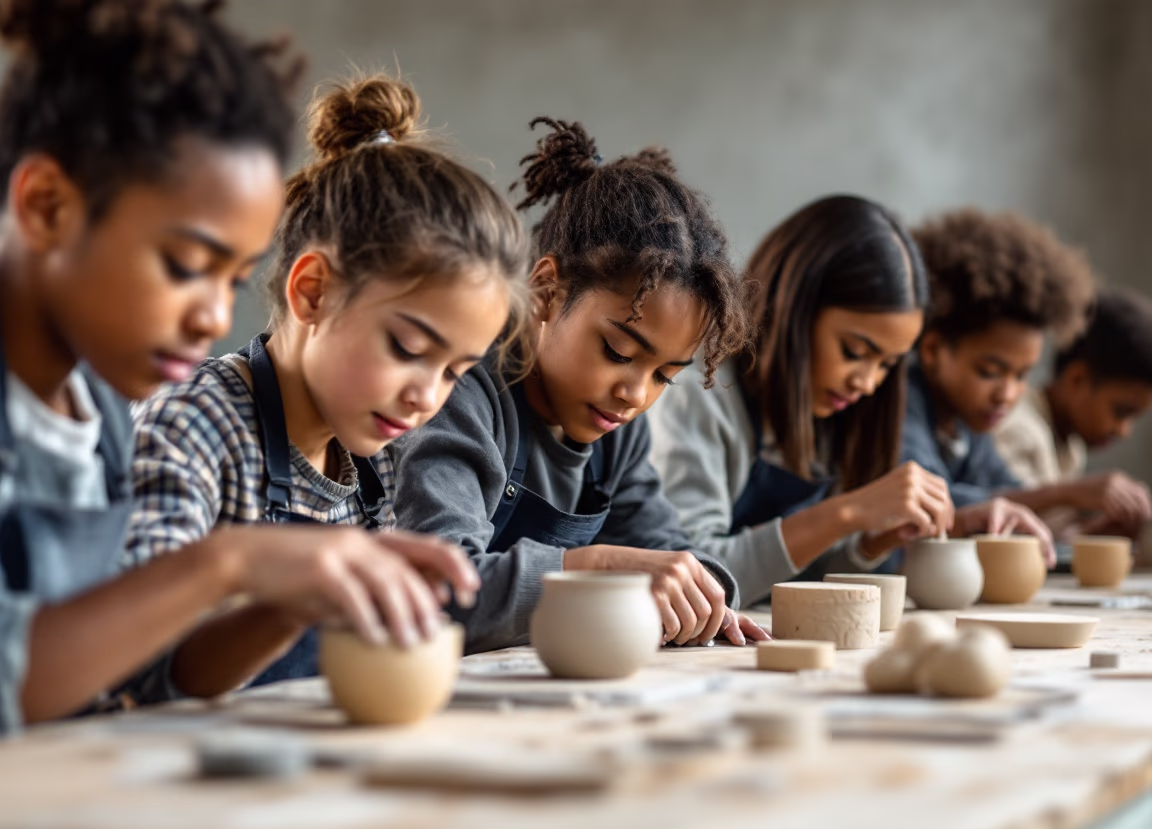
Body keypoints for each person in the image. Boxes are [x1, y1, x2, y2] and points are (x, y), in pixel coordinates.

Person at [0, 0, 473, 733]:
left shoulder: (95, 419)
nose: (215, 320)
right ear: (47, 205)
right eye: (187, 266)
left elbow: (139, 676)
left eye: (232, 280)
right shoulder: (175, 419)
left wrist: (289, 596)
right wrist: (226, 563)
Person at [123, 74, 529, 689]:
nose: (427, 395)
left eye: (455, 372)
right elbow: (142, 671)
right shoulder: (193, 427)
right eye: (407, 348)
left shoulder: (382, 453)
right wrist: (290, 599)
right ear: (313, 292)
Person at [390, 118, 766, 653]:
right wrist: (600, 565)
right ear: (545, 290)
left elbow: (663, 546)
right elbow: (441, 591)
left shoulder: (614, 431)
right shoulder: (461, 390)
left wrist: (705, 591)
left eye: (664, 375)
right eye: (618, 352)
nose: (634, 394)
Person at [651, 196, 1052, 606]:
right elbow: (693, 576)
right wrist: (846, 513)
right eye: (855, 351)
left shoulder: (837, 413)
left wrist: (873, 542)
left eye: (887, 365)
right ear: (795, 310)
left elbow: (806, 576)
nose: (867, 382)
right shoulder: (702, 388)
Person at [901, 207, 1094, 560]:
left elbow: (1005, 492)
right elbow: (923, 500)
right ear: (932, 349)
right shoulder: (900, 402)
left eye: (1022, 375)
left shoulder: (967, 425)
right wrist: (1067, 493)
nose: (1007, 395)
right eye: (990, 372)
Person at [993, 287, 1152, 537]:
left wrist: (1095, 533)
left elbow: (1048, 537)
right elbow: (994, 519)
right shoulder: (1015, 426)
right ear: (1077, 379)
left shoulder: (1070, 444)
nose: (1123, 431)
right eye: (1121, 412)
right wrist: (1070, 492)